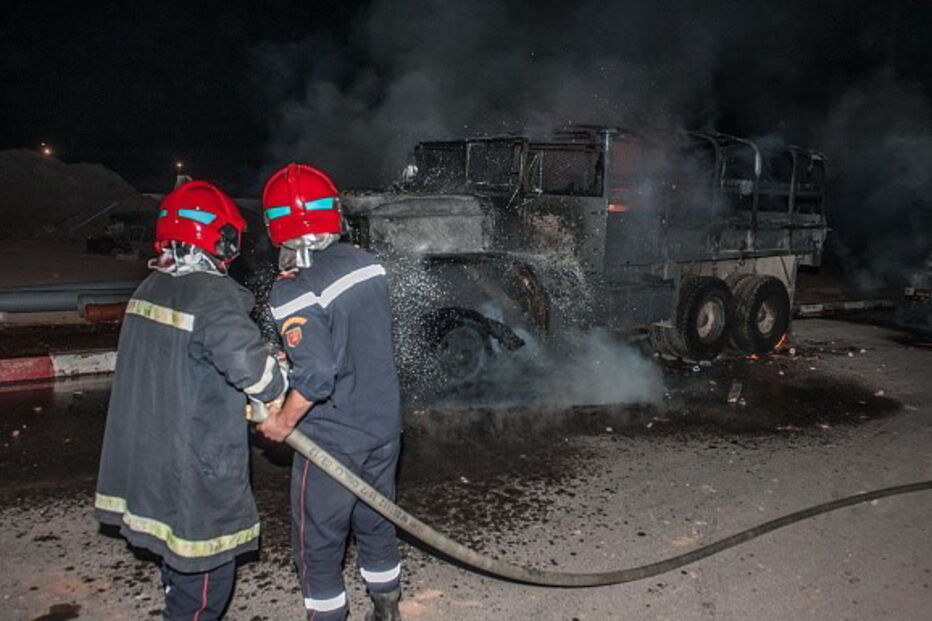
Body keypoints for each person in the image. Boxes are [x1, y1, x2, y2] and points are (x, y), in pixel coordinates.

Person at [95, 180, 287, 621]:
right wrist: (276, 377)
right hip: (192, 467)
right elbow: (254, 372)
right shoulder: (212, 294)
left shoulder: (149, 288)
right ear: (216, 236)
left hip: (149, 459)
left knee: (174, 564)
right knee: (203, 585)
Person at [257, 163, 403, 621]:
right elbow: (353, 339)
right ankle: (387, 609)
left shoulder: (293, 290)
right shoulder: (368, 263)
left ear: (275, 225)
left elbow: (318, 375)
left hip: (333, 441)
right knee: (377, 520)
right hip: (383, 428)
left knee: (318, 542)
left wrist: (281, 421)